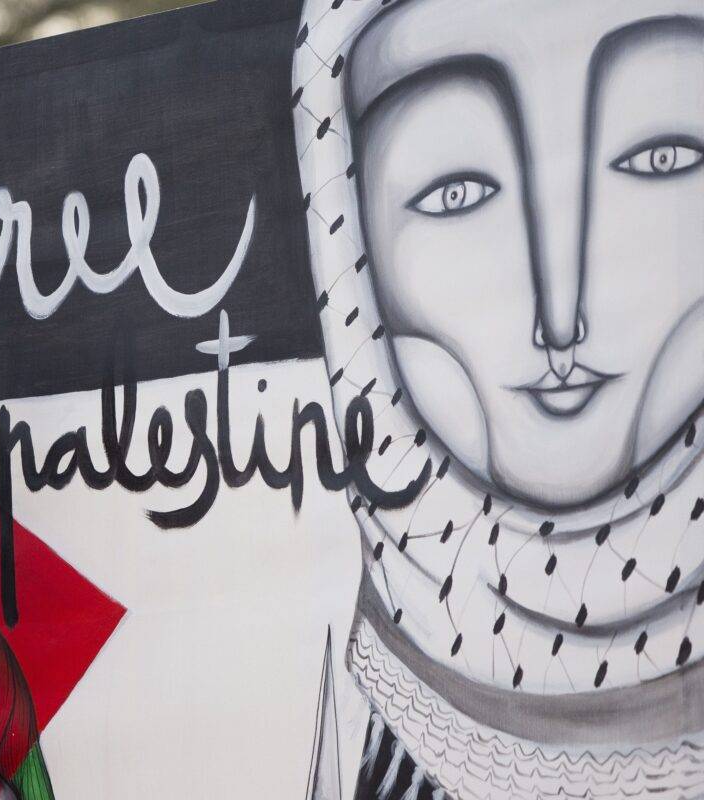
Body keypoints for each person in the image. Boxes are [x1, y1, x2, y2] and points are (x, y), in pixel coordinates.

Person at [293, 0, 703, 797]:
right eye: (457, 189)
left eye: (659, 157)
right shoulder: (320, 716)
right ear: (349, 241)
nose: (561, 317)